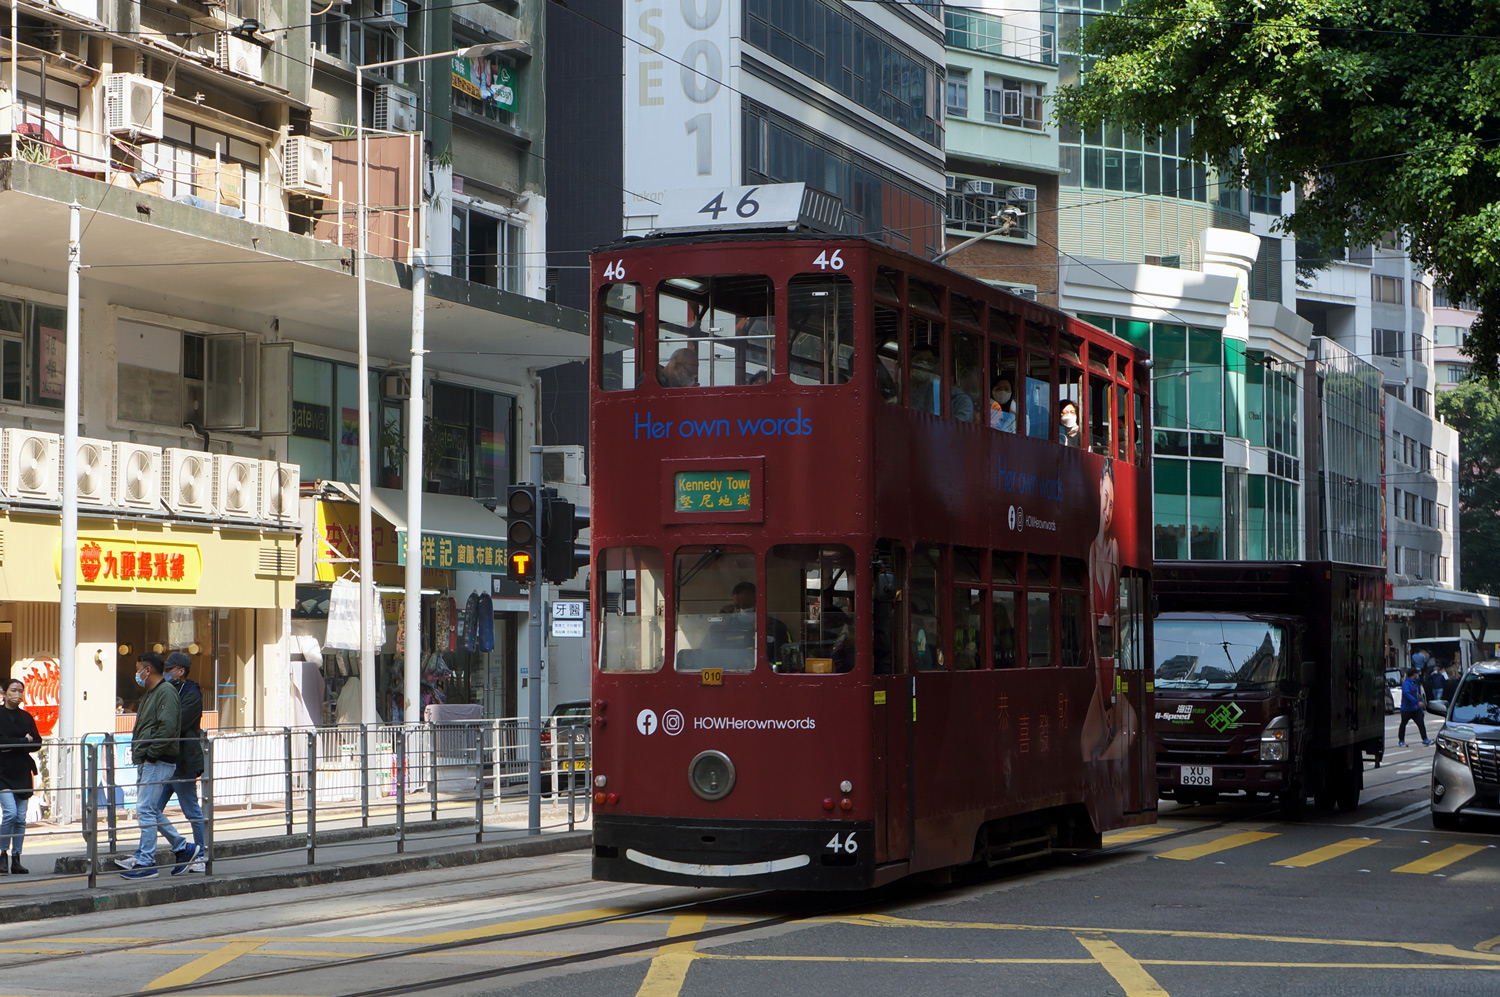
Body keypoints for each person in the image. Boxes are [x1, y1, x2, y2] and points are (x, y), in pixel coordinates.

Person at [122, 652, 191, 880]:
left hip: (157, 759)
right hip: (150, 759)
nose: (137, 674)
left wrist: (151, 754)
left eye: (138, 668)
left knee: (145, 810)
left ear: (147, 670)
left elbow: (168, 727)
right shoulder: (153, 693)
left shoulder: (165, 692)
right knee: (150, 810)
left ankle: (147, 862)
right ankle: (182, 848)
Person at [155, 652, 206, 874]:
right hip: (167, 759)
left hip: (183, 761)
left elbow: (177, 722)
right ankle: (180, 847)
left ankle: (202, 854)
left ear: (181, 671)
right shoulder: (169, 690)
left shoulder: (192, 694)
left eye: (170, 669)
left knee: (191, 810)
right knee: (150, 809)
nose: (166, 673)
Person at [0, 677, 41, 875]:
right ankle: (2, 853)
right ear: (4, 693)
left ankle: (17, 857)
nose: (17, 694)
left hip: (23, 771)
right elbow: (2, 743)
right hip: (3, 772)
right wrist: (23, 740)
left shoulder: (26, 717)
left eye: (20, 691)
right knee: (10, 813)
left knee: (21, 818)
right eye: (13, 690)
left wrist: (15, 744)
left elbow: (37, 743)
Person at [1398, 667, 1431, 747]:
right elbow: (1407, 694)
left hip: (1415, 708)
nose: (1417, 675)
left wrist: (1418, 697)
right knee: (1403, 724)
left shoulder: (1415, 682)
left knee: (1421, 723)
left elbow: (1415, 693)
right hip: (1407, 708)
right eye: (1416, 673)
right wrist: (1417, 701)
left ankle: (1425, 739)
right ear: (1413, 674)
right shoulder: (1406, 684)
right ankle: (1401, 740)